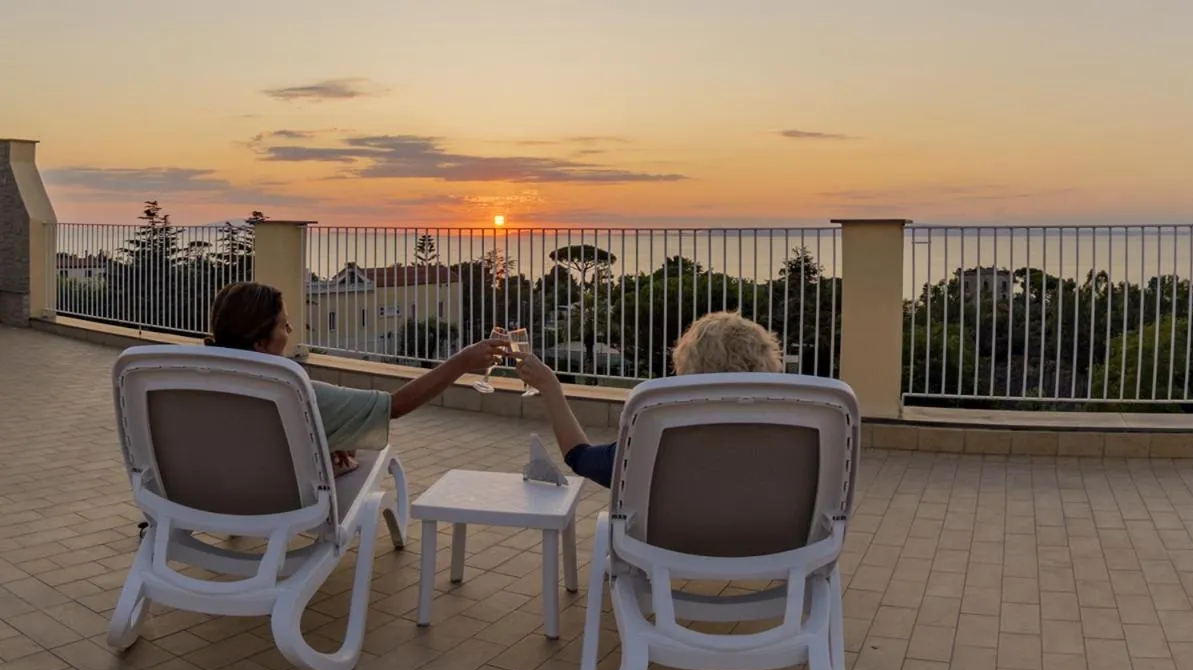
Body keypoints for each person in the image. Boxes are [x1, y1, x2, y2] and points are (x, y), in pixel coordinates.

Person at [205, 281, 508, 473]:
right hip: (279, 504)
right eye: (285, 326)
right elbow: (395, 405)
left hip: (211, 498)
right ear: (260, 342)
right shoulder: (293, 394)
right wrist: (463, 361)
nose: (290, 332)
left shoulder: (197, 383)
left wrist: (327, 437)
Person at [514, 311, 783, 488]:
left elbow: (579, 457)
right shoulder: (794, 429)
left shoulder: (663, 429)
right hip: (775, 549)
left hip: (672, 547)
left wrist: (550, 387)